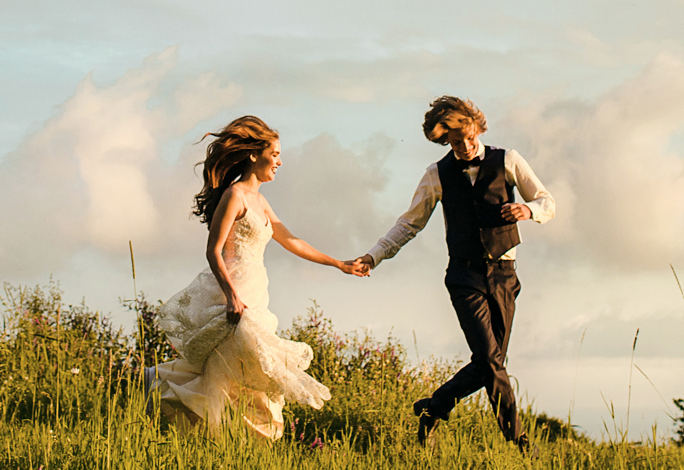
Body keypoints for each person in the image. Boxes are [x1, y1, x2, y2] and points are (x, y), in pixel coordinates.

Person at [350, 96, 554, 451]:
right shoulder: (436, 174)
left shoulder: (508, 160)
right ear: (445, 140)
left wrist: (527, 209)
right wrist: (374, 255)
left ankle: (435, 407)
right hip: (464, 276)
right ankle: (519, 440)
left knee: (490, 362)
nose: (465, 146)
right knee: (491, 361)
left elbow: (547, 202)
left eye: (469, 137)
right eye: (456, 142)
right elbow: (409, 224)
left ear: (478, 126)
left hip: (505, 273)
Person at [148, 115, 370, 439]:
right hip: (235, 297)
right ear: (255, 155)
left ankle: (239, 446)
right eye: (275, 153)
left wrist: (338, 263)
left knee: (251, 377)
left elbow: (291, 240)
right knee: (226, 375)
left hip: (257, 297)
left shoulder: (261, 202)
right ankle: (204, 430)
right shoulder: (235, 195)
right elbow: (213, 250)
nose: (280, 161)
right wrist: (231, 297)